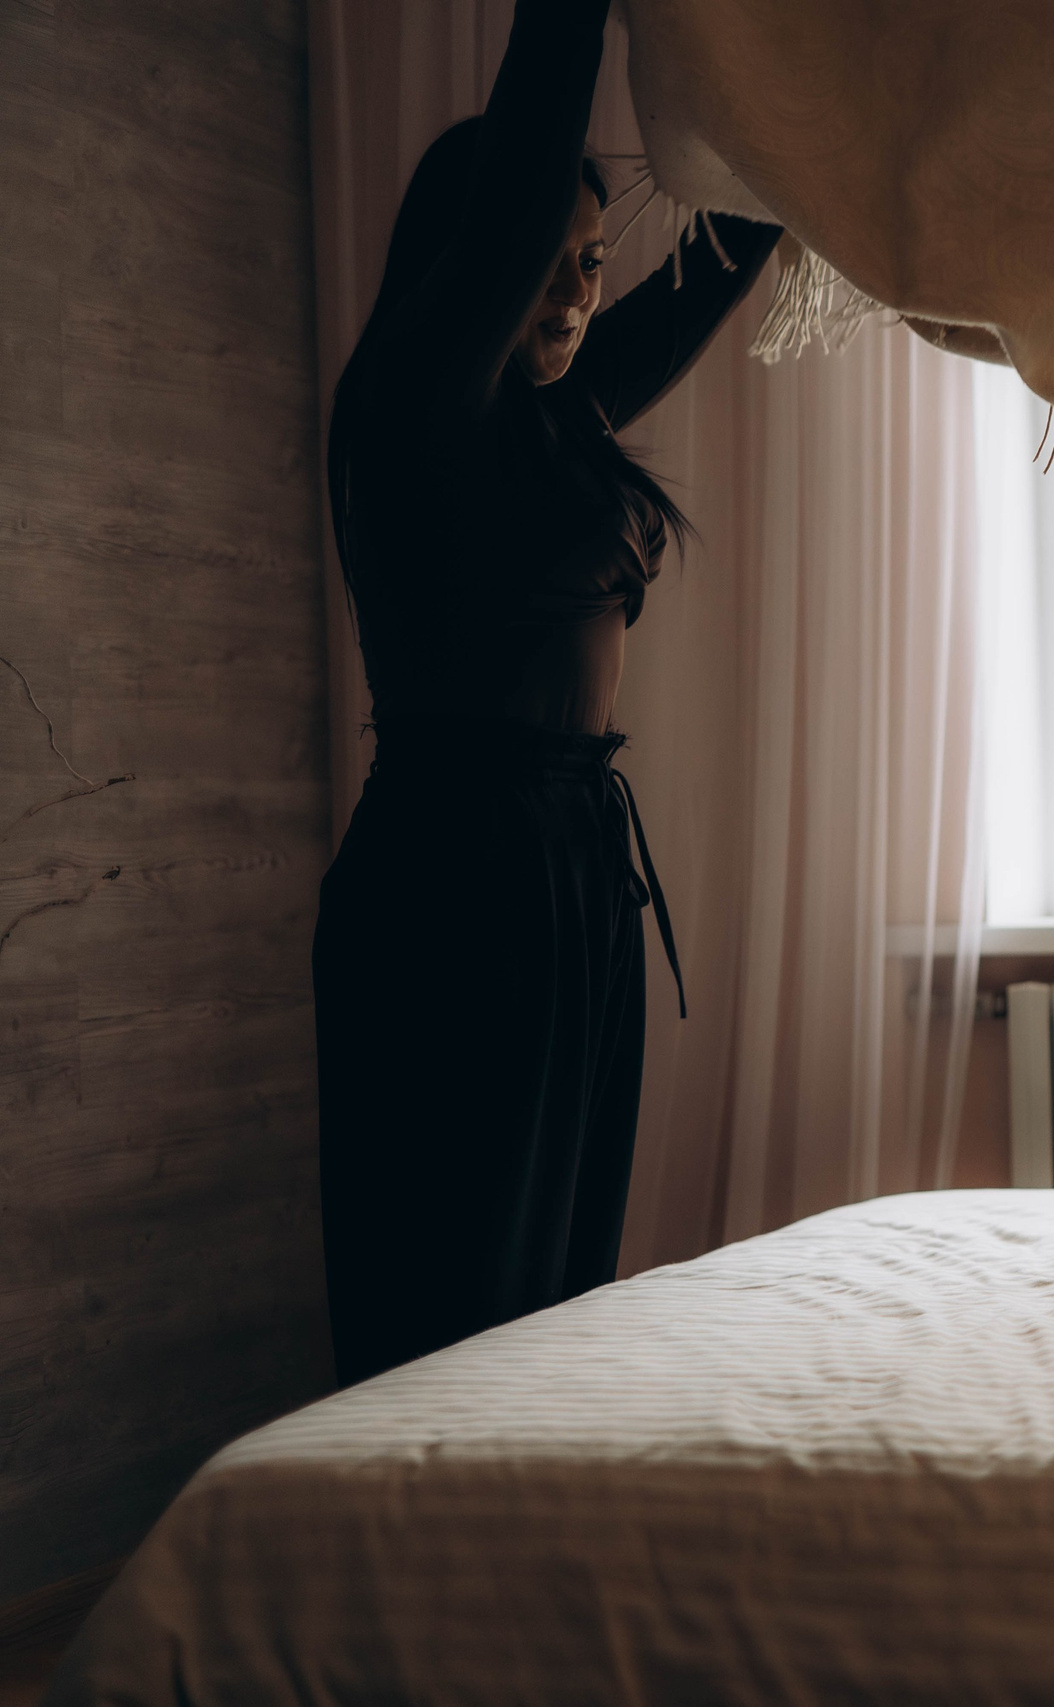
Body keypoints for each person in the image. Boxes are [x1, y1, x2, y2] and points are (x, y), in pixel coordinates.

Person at [314, 0, 782, 1386]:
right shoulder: (408, 413)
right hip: (453, 874)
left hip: (578, 869)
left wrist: (811, 127)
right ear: (475, 264)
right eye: (546, 264)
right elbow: (526, 163)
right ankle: (408, 1568)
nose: (579, 291)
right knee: (454, 1278)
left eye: (591, 261)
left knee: (563, 1290)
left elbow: (718, 258)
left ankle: (521, 1557)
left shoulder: (556, 417)